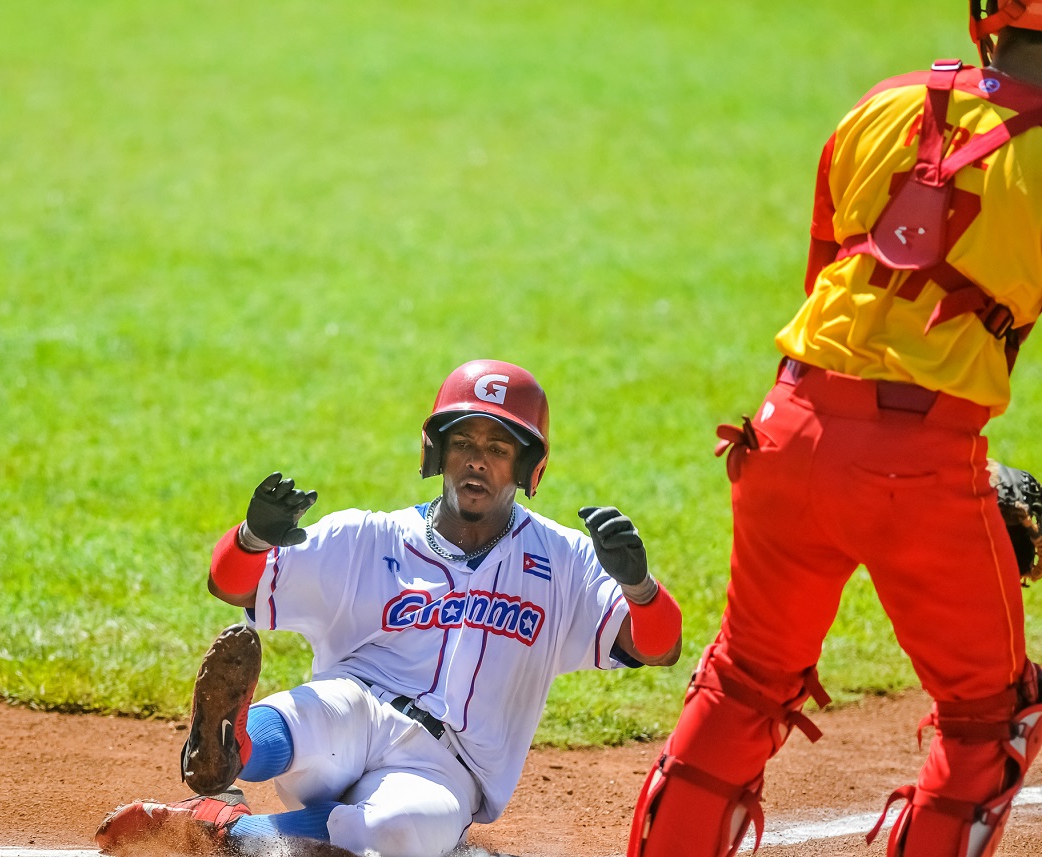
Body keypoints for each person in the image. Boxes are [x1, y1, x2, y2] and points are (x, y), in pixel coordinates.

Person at [627, 6, 1042, 857]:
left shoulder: (885, 103)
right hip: (921, 469)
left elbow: (831, 284)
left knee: (744, 683)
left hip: (784, 433)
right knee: (989, 723)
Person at [96, 358, 684, 857]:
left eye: (498, 447)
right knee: (319, 711)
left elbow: (658, 648)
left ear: (529, 466)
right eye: (464, 443)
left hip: (449, 769)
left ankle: (224, 831)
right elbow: (233, 586)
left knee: (387, 834)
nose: (477, 459)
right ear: (439, 453)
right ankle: (230, 752)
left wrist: (638, 585)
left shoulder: (565, 561)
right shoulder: (368, 538)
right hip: (357, 710)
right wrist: (252, 537)